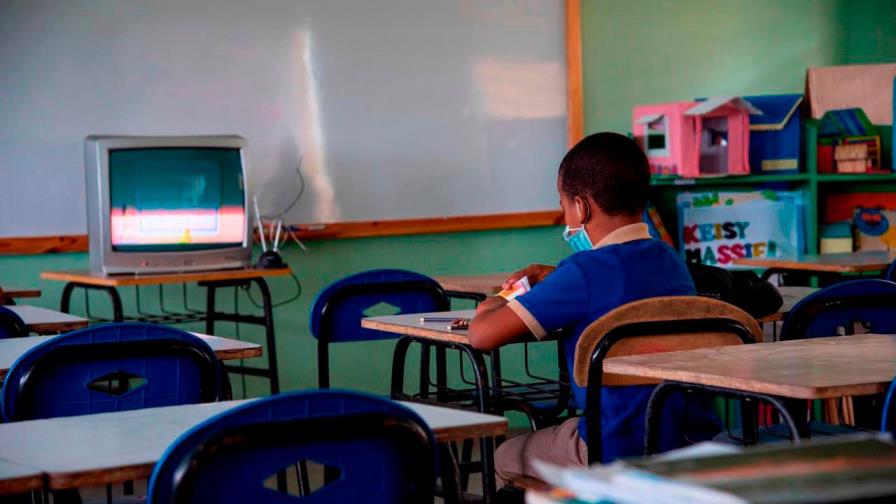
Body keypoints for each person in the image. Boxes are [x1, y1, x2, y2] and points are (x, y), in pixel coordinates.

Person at [468, 132, 718, 485]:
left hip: (613, 449)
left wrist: (498, 301)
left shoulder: (582, 272)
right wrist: (558, 278)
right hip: (689, 442)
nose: (565, 217)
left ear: (582, 207)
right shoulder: (671, 261)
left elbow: (481, 336)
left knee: (505, 454)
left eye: (564, 205)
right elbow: (620, 283)